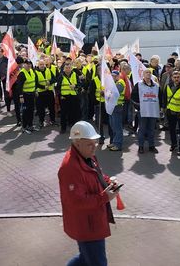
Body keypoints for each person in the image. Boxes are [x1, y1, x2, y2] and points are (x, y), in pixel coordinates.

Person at [58, 121, 120, 266]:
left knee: (86, 259)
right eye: (90, 144)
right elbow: (76, 202)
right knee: (96, 262)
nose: (95, 147)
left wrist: (108, 181)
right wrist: (105, 197)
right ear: (77, 143)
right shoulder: (70, 168)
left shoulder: (86, 155)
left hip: (92, 222)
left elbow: (97, 174)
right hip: (87, 226)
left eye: (96, 142)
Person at [131, 69, 159, 154]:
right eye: (146, 72)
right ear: (143, 75)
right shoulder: (138, 85)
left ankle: (151, 146)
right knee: (142, 129)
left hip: (153, 111)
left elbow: (160, 97)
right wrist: (138, 107)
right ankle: (141, 146)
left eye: (150, 73)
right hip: (142, 112)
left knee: (151, 129)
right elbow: (133, 97)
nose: (148, 74)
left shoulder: (156, 85)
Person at [57, 61, 82, 134]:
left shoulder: (75, 74)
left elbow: (80, 85)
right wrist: (61, 96)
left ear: (71, 68)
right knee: (63, 113)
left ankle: (74, 127)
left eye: (69, 68)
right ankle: (63, 128)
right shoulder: (61, 76)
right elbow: (58, 88)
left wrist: (75, 86)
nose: (68, 69)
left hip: (73, 97)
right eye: (66, 68)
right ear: (64, 69)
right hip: (64, 97)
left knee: (74, 113)